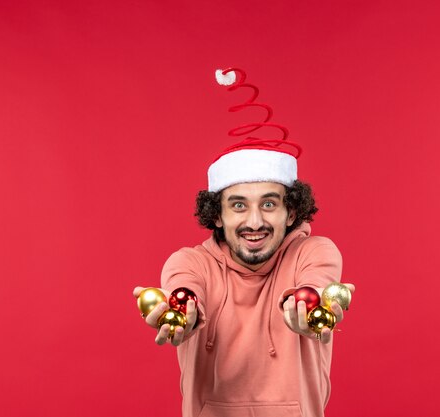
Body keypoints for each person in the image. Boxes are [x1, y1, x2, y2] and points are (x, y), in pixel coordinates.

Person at [133, 68, 355, 417]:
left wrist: (305, 309)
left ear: (291, 211)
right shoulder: (190, 263)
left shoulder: (314, 252)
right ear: (217, 215)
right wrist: (180, 312)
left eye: (269, 203)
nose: (255, 222)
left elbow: (316, 282)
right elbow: (185, 288)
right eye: (239, 205)